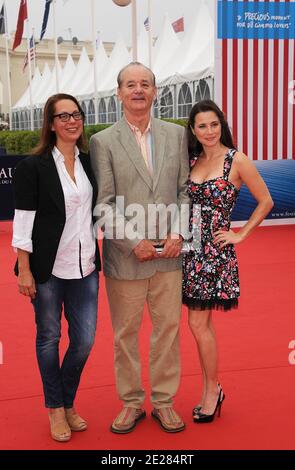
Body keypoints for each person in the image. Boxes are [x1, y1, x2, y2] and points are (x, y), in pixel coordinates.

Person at [90, 62, 189, 434]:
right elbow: (103, 203)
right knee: (124, 336)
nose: (138, 90)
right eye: (130, 84)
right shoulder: (102, 141)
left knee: (168, 331)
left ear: (154, 91)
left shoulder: (175, 135)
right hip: (125, 258)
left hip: (171, 256)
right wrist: (135, 242)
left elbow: (183, 191)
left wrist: (180, 232)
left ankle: (164, 402)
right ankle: (131, 403)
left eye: (145, 84)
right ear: (118, 92)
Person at [12, 93, 101, 442]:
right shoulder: (33, 167)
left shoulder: (90, 163)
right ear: (50, 124)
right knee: (49, 339)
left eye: (76, 114)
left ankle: (65, 400)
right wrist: (25, 269)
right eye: (62, 116)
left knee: (85, 341)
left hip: (86, 267)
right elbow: (23, 222)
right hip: (47, 270)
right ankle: (56, 409)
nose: (71, 121)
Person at [182, 99, 273, 423]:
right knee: (198, 324)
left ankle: (212, 389)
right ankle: (212, 387)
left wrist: (241, 234)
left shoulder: (236, 160)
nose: (209, 131)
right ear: (193, 130)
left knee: (197, 323)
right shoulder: (190, 159)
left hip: (215, 254)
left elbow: (266, 200)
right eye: (202, 125)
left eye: (214, 124)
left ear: (222, 125)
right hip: (187, 250)